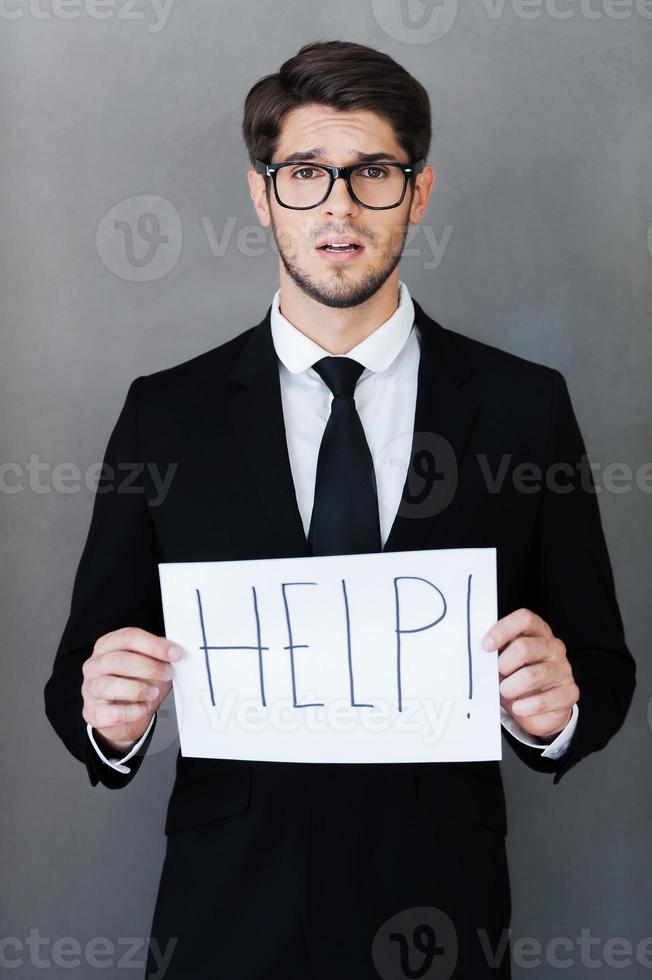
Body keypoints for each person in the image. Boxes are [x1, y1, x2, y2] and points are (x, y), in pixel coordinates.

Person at [44, 40, 635, 980]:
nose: (340, 209)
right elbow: (79, 679)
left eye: (374, 174)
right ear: (261, 194)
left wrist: (555, 713)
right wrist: (108, 723)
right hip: (223, 917)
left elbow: (600, 667)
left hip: (439, 915)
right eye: (306, 174)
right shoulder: (168, 413)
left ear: (421, 191)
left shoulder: (525, 406)